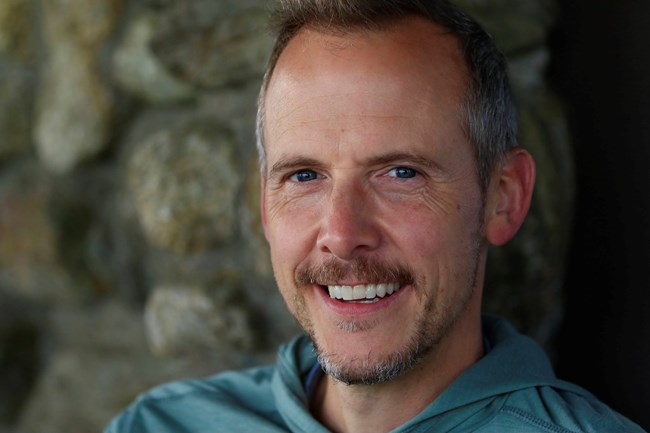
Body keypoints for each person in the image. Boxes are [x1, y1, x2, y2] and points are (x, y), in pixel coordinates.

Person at [106, 1, 645, 432]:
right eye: (303, 176)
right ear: (264, 207)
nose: (342, 235)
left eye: (400, 173)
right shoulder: (158, 424)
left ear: (503, 198)